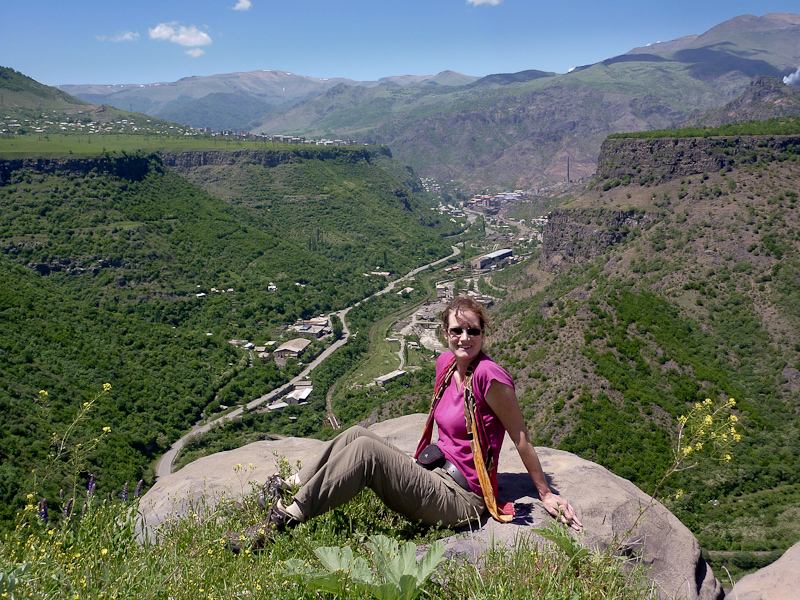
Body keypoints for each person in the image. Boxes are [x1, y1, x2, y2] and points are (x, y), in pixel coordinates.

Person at [227, 295, 581, 552]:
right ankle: (291, 486)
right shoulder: (446, 364)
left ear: (483, 335)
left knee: (365, 451)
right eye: (457, 330)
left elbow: (520, 437)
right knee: (355, 433)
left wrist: (546, 493)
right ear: (445, 333)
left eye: (473, 331)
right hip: (434, 473)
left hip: (462, 499)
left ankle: (284, 520)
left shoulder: (491, 376)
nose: (464, 338)